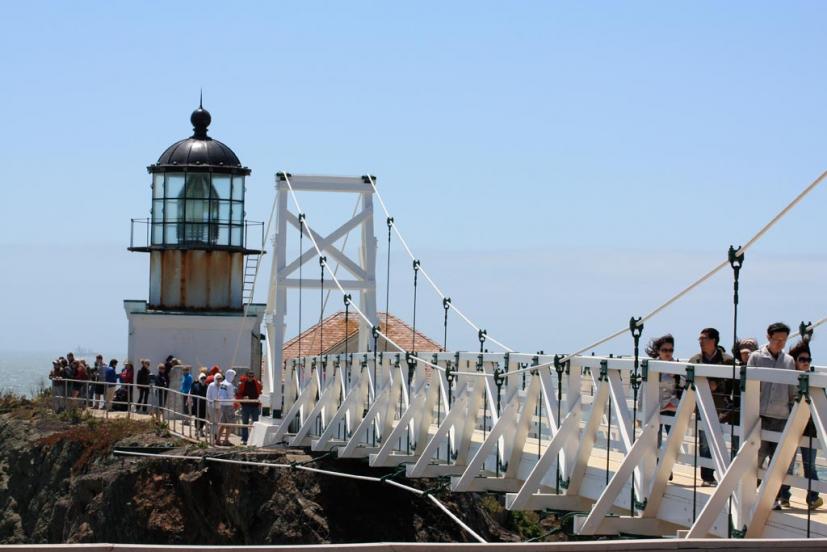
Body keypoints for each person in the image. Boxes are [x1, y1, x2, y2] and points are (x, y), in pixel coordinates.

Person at [750, 322, 797, 510]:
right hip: (760, 415)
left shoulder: (789, 361)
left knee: (777, 461)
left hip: (781, 416)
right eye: (777, 339)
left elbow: (792, 390)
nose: (780, 343)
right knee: (757, 457)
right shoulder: (755, 357)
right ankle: (749, 493)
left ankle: (774, 498)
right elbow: (750, 387)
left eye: (784, 340)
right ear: (768, 337)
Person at [688, 327, 734, 487]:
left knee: (720, 439)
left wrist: (718, 385)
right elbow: (687, 383)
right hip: (701, 406)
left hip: (721, 407)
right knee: (705, 442)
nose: (701, 342)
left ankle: (724, 474)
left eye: (704, 338)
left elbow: (732, 384)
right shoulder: (694, 360)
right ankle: (707, 477)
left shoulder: (728, 360)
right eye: (700, 339)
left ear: (713, 340)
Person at [787, 340, 823, 509]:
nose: (806, 363)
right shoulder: (786, 377)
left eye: (808, 359)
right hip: (790, 425)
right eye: (802, 359)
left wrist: (806, 339)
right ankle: (783, 495)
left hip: (810, 428)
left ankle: (813, 497)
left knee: (810, 464)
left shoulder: (815, 380)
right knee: (787, 462)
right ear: (794, 360)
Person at [646, 335, 680, 447]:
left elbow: (686, 387)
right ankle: (655, 464)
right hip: (655, 408)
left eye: (671, 350)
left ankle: (666, 464)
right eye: (664, 350)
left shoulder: (678, 367)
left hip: (672, 407)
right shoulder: (651, 366)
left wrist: (678, 376)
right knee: (654, 443)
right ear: (658, 351)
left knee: (673, 442)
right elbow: (643, 390)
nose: (668, 353)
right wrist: (640, 412)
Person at [236, 370, 262, 445]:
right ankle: (244, 439)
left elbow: (261, 392)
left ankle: (255, 439)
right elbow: (238, 393)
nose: (251, 377)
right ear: (246, 376)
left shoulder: (257, 383)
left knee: (256, 423)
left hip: (255, 406)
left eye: (252, 376)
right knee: (245, 423)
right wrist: (243, 398)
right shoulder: (242, 383)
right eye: (249, 376)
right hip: (246, 406)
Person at [217, 369, 237, 446]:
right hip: (228, 406)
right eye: (234, 376)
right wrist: (235, 399)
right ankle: (226, 440)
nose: (234, 377)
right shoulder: (230, 385)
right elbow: (231, 396)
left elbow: (219, 394)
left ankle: (218, 440)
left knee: (222, 423)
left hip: (222, 405)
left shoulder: (222, 383)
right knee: (229, 424)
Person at [189, 372, 209, 438]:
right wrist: (190, 400)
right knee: (197, 417)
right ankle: (196, 430)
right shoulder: (195, 385)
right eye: (202, 378)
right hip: (197, 404)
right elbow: (191, 393)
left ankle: (201, 430)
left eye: (204, 378)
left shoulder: (207, 386)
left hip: (204, 405)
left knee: (203, 418)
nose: (203, 379)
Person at [206, 372, 222, 442]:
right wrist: (211, 402)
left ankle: (217, 434)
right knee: (213, 421)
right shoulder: (211, 385)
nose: (219, 380)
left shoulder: (222, 385)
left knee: (218, 421)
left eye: (220, 379)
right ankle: (214, 435)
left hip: (220, 406)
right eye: (218, 379)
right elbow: (208, 395)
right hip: (212, 405)